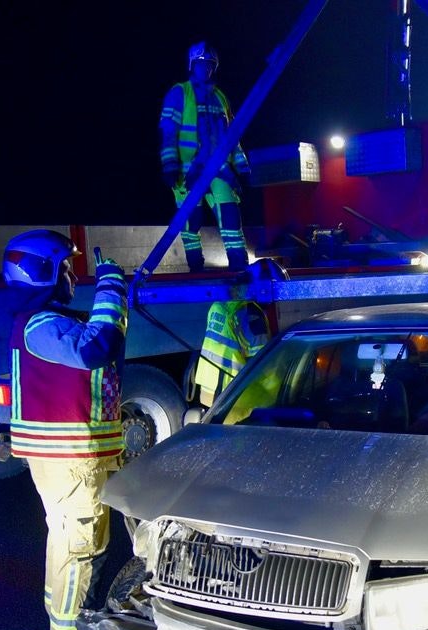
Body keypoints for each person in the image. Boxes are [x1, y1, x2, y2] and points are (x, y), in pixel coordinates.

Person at [2, 229, 128, 630]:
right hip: (68, 460)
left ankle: (80, 619)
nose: (72, 277)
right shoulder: (41, 326)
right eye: (67, 268)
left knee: (86, 543)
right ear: (44, 272)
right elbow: (96, 348)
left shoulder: (48, 322)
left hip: (78, 457)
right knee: (75, 547)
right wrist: (111, 289)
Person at [159, 42, 252, 272]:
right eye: (201, 64)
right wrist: (170, 163)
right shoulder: (180, 93)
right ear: (193, 65)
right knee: (192, 221)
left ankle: (240, 268)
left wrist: (243, 166)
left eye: (210, 65)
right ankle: (195, 268)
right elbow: (169, 131)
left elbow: (232, 136)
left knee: (231, 217)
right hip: (187, 171)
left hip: (219, 169)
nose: (206, 69)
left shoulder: (220, 97)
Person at [193, 293, 270, 407]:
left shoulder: (218, 305)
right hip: (231, 392)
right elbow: (261, 361)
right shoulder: (249, 312)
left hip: (209, 387)